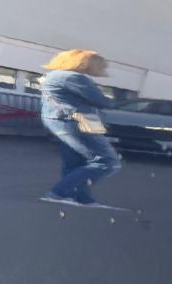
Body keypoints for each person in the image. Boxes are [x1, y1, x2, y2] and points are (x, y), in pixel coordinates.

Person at [38, 49, 122, 205]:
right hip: (76, 121)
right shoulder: (74, 77)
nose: (102, 70)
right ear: (84, 64)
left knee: (75, 162)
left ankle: (82, 198)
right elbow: (101, 101)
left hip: (62, 120)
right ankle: (59, 193)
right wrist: (119, 103)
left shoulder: (53, 75)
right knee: (107, 161)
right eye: (99, 66)